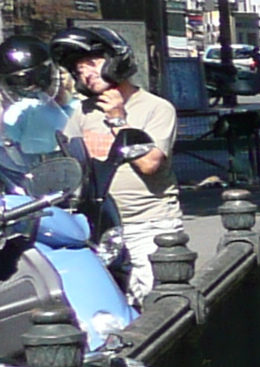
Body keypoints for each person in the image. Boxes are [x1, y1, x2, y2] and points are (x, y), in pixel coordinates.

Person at [56, 29, 178, 299]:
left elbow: (149, 164)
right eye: (78, 68)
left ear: (116, 60)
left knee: (155, 306)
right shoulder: (83, 111)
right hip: (99, 226)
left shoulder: (155, 108)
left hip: (147, 226)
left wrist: (117, 118)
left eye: (92, 63)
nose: (85, 73)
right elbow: (66, 162)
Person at [0, 35, 70, 192]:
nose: (33, 87)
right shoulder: (13, 115)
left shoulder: (74, 109)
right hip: (22, 188)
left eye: (39, 78)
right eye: (21, 81)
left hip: (67, 183)